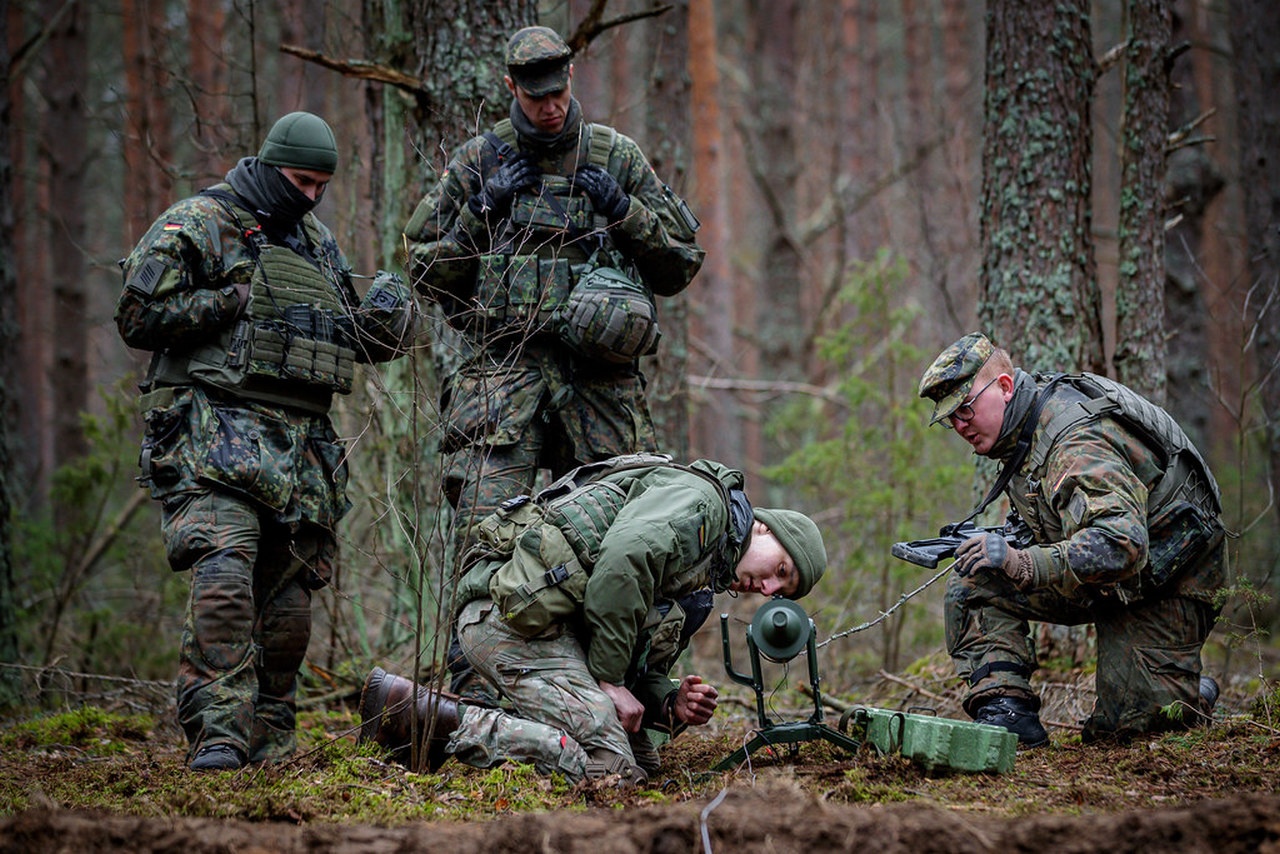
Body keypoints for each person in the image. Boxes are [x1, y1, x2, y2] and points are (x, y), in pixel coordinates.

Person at [116, 112, 416, 771]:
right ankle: (218, 736)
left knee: (288, 609)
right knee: (224, 579)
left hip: (301, 450)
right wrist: (233, 299)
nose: (310, 196)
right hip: (212, 431)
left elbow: (338, 338)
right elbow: (137, 316)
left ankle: (270, 740)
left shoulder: (316, 242)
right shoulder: (198, 222)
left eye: (321, 186)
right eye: (301, 181)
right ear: (270, 165)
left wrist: (383, 326)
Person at [402, 25, 705, 561]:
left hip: (600, 383)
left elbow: (679, 267)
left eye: (558, 93)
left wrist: (624, 212)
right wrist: (480, 212)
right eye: (536, 97)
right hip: (502, 379)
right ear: (511, 87)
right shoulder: (481, 162)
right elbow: (421, 270)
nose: (551, 108)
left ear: (570, 76)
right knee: (485, 547)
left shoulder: (616, 157)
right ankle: (478, 646)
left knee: (620, 546)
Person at [357, 454, 826, 786]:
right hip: (509, 621)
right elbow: (622, 563)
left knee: (646, 761)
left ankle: (508, 723)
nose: (766, 590)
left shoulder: (705, 570)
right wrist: (607, 680)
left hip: (550, 631)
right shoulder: (703, 505)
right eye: (779, 571)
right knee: (610, 767)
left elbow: (638, 654)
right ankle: (425, 717)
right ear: (763, 528)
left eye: (780, 592)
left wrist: (668, 701)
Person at [917, 332, 1227, 747]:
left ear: (1005, 387)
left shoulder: (1073, 439)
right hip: (1109, 578)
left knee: (1125, 737)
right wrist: (1000, 547)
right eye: (950, 417)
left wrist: (1023, 563)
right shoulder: (1023, 430)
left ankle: (1187, 693)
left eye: (967, 408)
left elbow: (1122, 542)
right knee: (974, 580)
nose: (959, 424)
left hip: (1166, 583)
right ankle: (1008, 715)